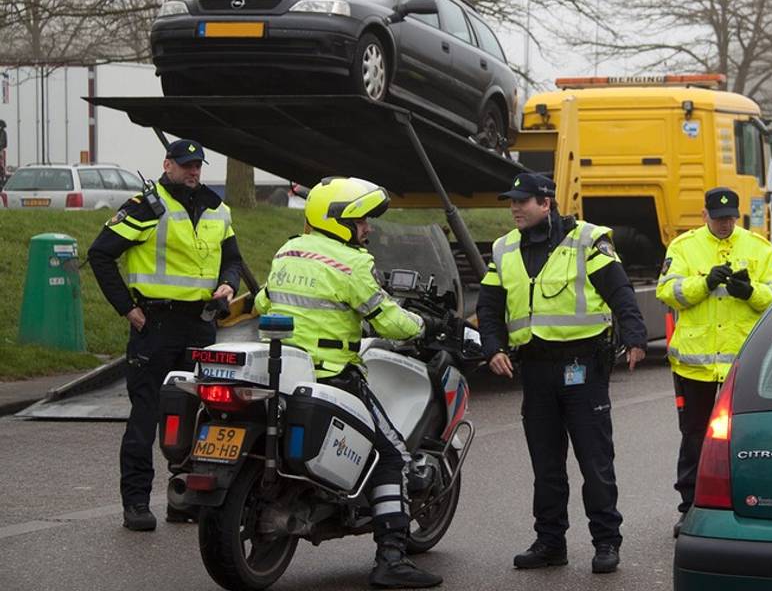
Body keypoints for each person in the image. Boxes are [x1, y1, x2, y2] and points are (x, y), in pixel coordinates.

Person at [253, 176, 442, 589]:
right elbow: (388, 319)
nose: (367, 229)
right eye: (361, 222)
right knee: (392, 454)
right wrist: (423, 324)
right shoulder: (352, 264)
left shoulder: (288, 250)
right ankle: (391, 557)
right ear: (339, 223)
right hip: (332, 374)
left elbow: (262, 301)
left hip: (281, 370)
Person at [477, 172, 647, 575]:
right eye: (511, 202)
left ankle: (606, 542)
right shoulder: (503, 248)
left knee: (595, 461)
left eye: (523, 201)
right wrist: (493, 348)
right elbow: (488, 306)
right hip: (535, 370)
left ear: (546, 203)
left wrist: (636, 335)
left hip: (582, 366)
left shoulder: (586, 239)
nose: (515, 208)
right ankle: (550, 542)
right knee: (546, 466)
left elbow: (619, 290)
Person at [87, 139, 241, 532]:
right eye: (186, 165)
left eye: (198, 166)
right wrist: (127, 308)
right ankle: (136, 503)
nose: (193, 172)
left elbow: (232, 259)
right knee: (146, 416)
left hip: (200, 325)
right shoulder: (146, 206)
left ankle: (184, 498)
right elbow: (101, 254)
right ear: (167, 165)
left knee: (203, 415)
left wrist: (227, 284)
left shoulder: (216, 208)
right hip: (155, 325)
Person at [657, 187, 772, 536]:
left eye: (730, 218)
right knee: (695, 437)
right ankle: (690, 507)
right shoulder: (684, 247)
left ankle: (752, 502)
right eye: (718, 218)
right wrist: (704, 283)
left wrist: (750, 292)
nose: (725, 224)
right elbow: (667, 291)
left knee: (749, 437)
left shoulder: (758, 247)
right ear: (705, 216)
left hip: (743, 363)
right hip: (695, 365)